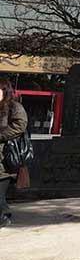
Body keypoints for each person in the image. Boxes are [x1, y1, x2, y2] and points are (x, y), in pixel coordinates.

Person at [0, 80, 28, 227]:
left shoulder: (14, 107)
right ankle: (4, 214)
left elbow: (20, 125)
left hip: (6, 157)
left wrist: (1, 135)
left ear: (5, 91)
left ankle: (3, 218)